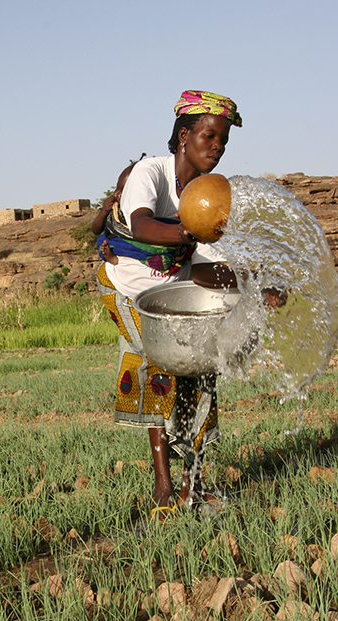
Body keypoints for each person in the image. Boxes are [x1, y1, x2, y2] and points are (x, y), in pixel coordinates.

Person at [96, 90, 242, 517]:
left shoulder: (204, 196)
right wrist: (186, 233)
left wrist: (252, 285)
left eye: (224, 142)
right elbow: (140, 223)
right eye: (210, 136)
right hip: (126, 287)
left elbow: (205, 270)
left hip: (170, 288)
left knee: (202, 370)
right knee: (160, 365)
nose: (217, 147)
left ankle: (192, 485)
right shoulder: (150, 172)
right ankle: (163, 486)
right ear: (184, 135)